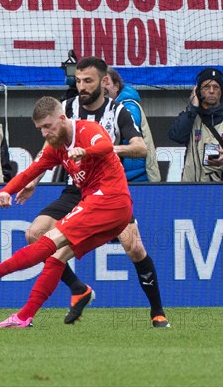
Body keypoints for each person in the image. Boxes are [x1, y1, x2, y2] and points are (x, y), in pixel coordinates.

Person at [0, 96, 133, 328]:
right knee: (56, 258)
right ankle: (24, 317)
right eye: (40, 129)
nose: (45, 133)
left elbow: (106, 145)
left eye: (48, 126)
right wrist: (6, 191)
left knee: (48, 240)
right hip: (113, 212)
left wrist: (85, 152)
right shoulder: (57, 148)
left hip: (109, 199)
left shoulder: (87, 129)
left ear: (62, 118)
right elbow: (31, 171)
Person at [17, 57, 170, 327]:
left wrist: (107, 149)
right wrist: (33, 180)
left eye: (88, 81)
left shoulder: (118, 111)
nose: (82, 86)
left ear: (104, 81)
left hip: (107, 192)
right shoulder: (65, 109)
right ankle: (79, 289)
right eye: (78, 81)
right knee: (34, 234)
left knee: (134, 248)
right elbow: (48, 149)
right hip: (74, 189)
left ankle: (158, 313)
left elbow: (141, 148)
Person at [105, 67, 161, 183]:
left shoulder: (129, 105)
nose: (102, 87)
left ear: (116, 86)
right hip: (116, 177)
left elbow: (129, 123)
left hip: (136, 178)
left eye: (106, 83)